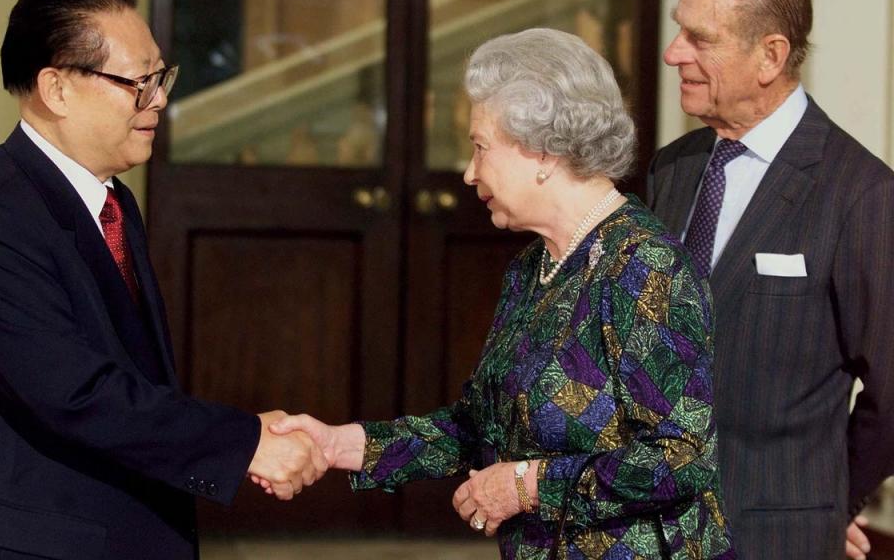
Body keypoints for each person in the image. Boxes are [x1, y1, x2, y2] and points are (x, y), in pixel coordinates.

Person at [266, 28, 736, 559]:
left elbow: (681, 458)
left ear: (542, 151)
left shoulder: (645, 266)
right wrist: (335, 445)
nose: (469, 173)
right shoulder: (533, 267)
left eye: (480, 147)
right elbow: (476, 427)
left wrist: (526, 485)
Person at [0, 0, 324, 559]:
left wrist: (242, 437)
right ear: (56, 89)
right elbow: (77, 394)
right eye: (137, 82)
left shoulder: (110, 199)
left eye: (160, 77)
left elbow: (132, 380)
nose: (159, 99)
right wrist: (245, 443)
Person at [649, 0, 894, 560]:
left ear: (771, 55)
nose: (674, 52)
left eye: (699, 38)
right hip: (649, 531)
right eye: (680, 30)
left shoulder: (860, 194)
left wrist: (830, 498)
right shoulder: (670, 172)